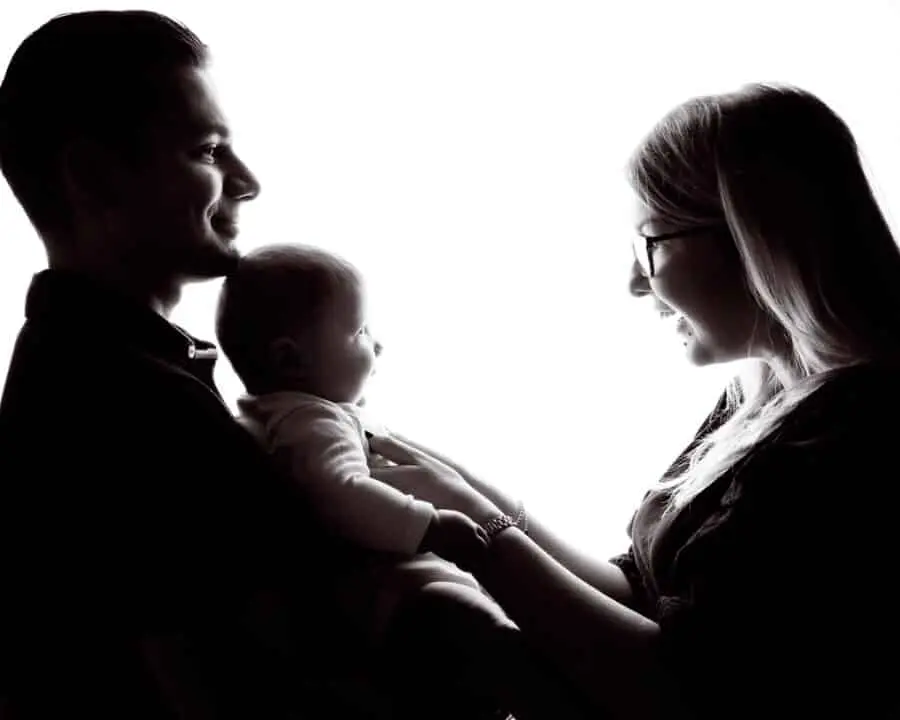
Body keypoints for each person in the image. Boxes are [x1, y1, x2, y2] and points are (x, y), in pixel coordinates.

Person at [0, 11, 592, 720]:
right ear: (93, 176)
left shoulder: (115, 365)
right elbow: (217, 687)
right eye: (209, 149)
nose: (248, 182)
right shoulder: (116, 402)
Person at [365, 83, 900, 720]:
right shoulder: (765, 396)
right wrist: (467, 495)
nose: (633, 282)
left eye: (652, 242)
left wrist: (480, 543)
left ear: (755, 238)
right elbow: (642, 593)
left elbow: (681, 693)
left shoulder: (862, 434)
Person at [214, 242, 518, 644]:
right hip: (383, 583)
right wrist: (430, 525)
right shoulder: (312, 420)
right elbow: (337, 490)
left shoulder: (269, 414)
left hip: (367, 586)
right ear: (290, 360)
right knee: (482, 624)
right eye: (359, 331)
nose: (377, 344)